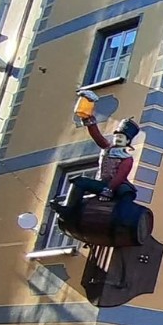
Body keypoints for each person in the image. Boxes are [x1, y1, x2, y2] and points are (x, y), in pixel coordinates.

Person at [62, 97, 141, 230]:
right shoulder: (107, 148)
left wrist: (108, 190)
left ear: (127, 141)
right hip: (102, 182)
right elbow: (97, 136)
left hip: (117, 185)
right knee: (79, 182)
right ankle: (68, 208)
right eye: (117, 136)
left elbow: (120, 176)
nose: (118, 139)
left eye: (122, 137)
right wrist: (89, 120)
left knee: (126, 194)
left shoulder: (127, 158)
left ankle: (122, 221)